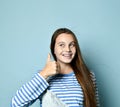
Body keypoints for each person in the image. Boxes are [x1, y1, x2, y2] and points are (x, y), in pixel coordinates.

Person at [11, 28, 99, 107]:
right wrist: (44, 73)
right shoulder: (42, 76)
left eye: (72, 45)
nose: (68, 49)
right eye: (61, 45)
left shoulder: (89, 76)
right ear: (53, 49)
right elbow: (16, 104)